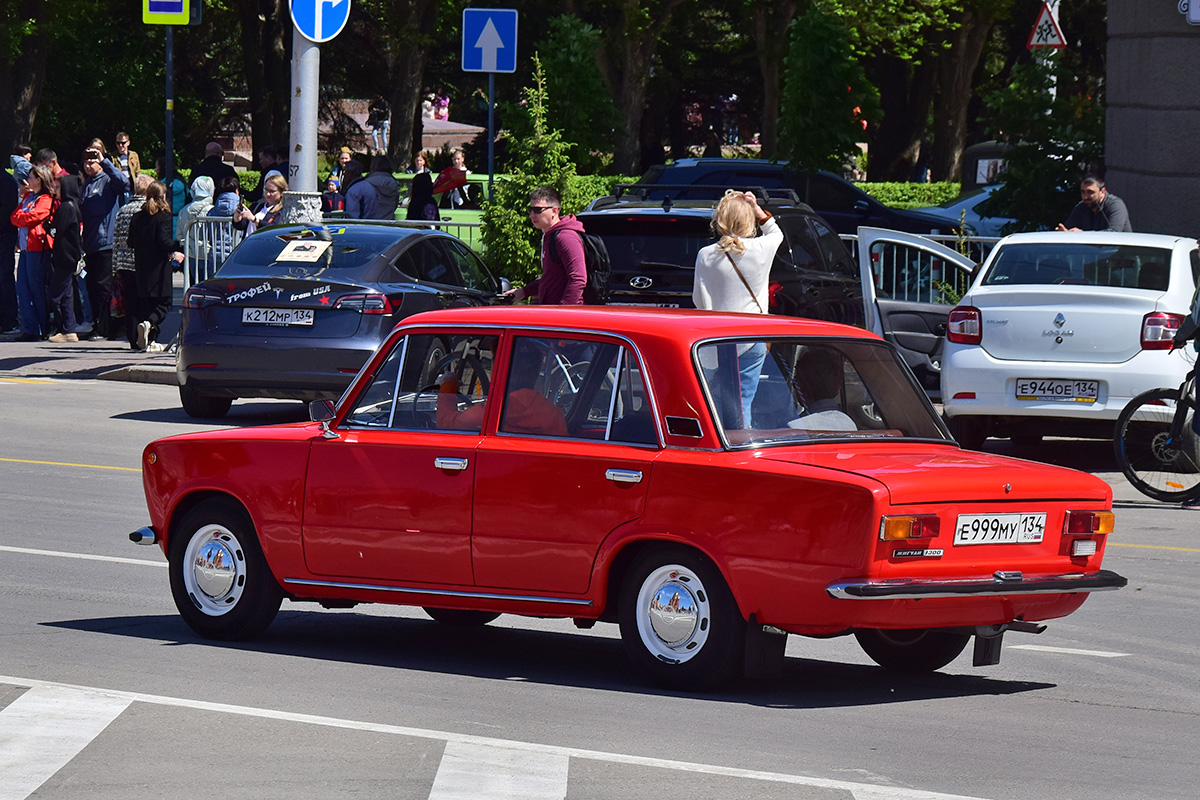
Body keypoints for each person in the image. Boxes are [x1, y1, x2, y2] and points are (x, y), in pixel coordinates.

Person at [692, 190, 783, 428]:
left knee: (710, 405)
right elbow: (776, 232)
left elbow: (698, 301)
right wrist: (756, 208)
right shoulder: (761, 249)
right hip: (751, 338)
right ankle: (740, 446)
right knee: (742, 404)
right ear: (748, 220)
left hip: (712, 341)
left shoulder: (705, 255)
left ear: (719, 220)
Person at [436, 347, 568, 436]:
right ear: (535, 373)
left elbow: (447, 424)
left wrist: (448, 386)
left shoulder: (497, 409)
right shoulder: (553, 414)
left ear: (503, 369)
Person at [127, 180, 184, 352]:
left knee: (147, 303)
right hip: (159, 267)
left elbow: (130, 241)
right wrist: (178, 247)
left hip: (141, 266)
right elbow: (164, 241)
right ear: (163, 196)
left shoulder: (137, 216)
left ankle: (150, 339)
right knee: (165, 303)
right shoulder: (163, 216)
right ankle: (149, 324)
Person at [80, 145, 130, 340]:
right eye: (85, 161)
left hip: (105, 244)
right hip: (91, 243)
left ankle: (107, 327)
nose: (88, 165)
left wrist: (105, 161)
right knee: (91, 287)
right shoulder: (88, 183)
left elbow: (124, 183)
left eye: (92, 161)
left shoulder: (108, 180)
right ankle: (97, 324)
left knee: (103, 288)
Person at [506, 186, 587, 305]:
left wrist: (563, 311)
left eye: (538, 210)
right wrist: (523, 292)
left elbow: (578, 279)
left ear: (554, 211)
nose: (532, 215)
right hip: (552, 311)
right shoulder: (550, 236)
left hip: (567, 317)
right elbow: (550, 278)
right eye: (530, 209)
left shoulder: (566, 238)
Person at [9, 165, 56, 340]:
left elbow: (34, 217)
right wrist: (23, 219)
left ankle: (41, 327)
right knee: (22, 287)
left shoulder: (45, 198)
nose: (27, 180)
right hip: (25, 248)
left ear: (39, 180)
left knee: (35, 287)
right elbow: (15, 216)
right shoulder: (28, 196)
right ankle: (30, 328)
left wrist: (23, 219)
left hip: (37, 247)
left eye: (31, 177)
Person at [113, 174, 153, 348]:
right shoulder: (146, 210)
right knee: (143, 300)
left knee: (129, 302)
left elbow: (115, 239)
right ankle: (142, 336)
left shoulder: (123, 210)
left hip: (123, 262)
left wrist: (114, 266)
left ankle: (131, 338)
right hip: (140, 261)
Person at [46, 174, 83, 343]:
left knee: (55, 295)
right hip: (71, 257)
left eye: (59, 187)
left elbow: (55, 230)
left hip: (64, 256)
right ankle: (69, 329)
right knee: (67, 294)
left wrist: (48, 225)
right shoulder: (73, 206)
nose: (55, 190)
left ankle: (63, 327)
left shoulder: (65, 208)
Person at [787, 348, 857, 431]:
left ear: (801, 387)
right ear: (839, 387)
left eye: (796, 382)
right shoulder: (849, 423)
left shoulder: (795, 427)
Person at [1056, 175, 1132, 232]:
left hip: (1120, 252)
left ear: (1102, 192)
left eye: (1090, 192)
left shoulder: (1115, 205)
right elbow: (1068, 227)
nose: (1085, 197)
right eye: (1083, 192)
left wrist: (1083, 235)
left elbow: (1113, 233)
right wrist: (1064, 232)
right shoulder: (1082, 207)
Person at [177, 175, 215, 282]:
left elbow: (179, 235)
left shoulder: (183, 210)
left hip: (191, 255)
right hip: (208, 254)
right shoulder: (212, 210)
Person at [0, 159, 19, 333]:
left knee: (5, 277)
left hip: (5, 234)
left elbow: (7, 209)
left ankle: (9, 318)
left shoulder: (5, 180)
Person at [113, 132, 140, 201]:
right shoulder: (113, 157)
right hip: (119, 190)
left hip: (132, 188)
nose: (120, 145)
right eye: (118, 143)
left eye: (123, 143)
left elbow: (137, 172)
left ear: (128, 143)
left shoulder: (134, 155)